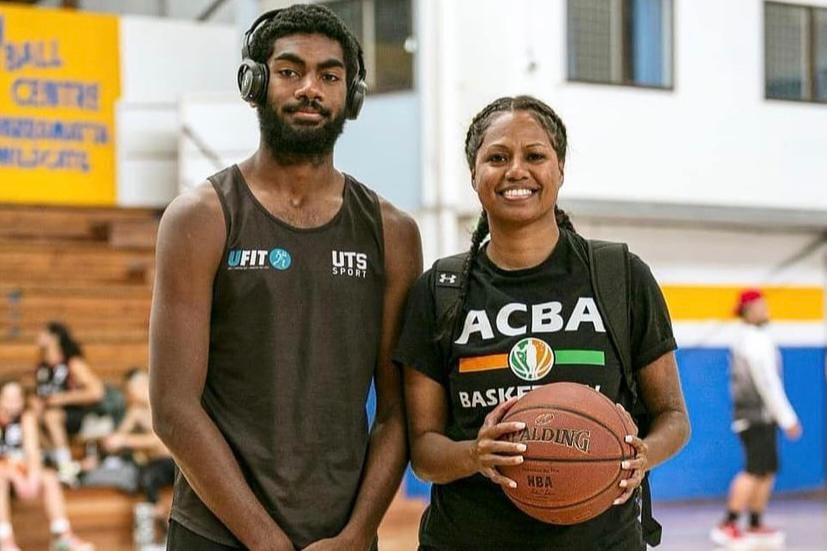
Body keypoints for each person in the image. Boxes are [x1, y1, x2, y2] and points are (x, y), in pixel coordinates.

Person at [149, 4, 421, 551]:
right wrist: (267, 542)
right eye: (290, 71)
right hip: (216, 535)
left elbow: (395, 414)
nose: (310, 89)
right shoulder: (200, 217)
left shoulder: (392, 232)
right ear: (255, 82)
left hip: (340, 541)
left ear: (353, 94)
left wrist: (359, 532)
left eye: (329, 75)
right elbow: (173, 409)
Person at [395, 95, 691, 551]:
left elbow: (673, 417)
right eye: (497, 157)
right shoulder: (440, 289)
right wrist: (476, 454)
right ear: (474, 174)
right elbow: (424, 452)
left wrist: (639, 456)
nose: (516, 170)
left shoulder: (618, 274)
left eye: (535, 155)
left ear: (559, 169)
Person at [710, 289, 801, 549]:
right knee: (754, 470)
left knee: (766, 470)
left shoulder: (754, 338)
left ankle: (754, 522)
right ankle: (728, 523)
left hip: (761, 416)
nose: (766, 310)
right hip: (756, 416)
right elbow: (767, 383)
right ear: (749, 311)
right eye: (761, 306)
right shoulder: (753, 341)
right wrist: (787, 417)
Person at [0, 381, 95, 551]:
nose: (12, 403)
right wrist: (12, 474)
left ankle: (62, 536)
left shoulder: (26, 417)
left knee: (50, 477)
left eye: (17, 398)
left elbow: (32, 451)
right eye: (8, 398)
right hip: (4, 472)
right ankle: (5, 540)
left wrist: (33, 477)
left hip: (21, 469)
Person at [31, 322, 105, 485]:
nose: (38, 336)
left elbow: (97, 392)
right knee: (30, 418)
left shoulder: (72, 363)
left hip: (75, 415)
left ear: (54, 337)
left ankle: (65, 466)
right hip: (49, 418)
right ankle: (59, 460)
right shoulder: (42, 367)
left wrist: (62, 398)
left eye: (43, 333)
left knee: (51, 416)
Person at [101, 369, 174, 524]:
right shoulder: (136, 412)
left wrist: (125, 441)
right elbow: (119, 435)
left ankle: (163, 517)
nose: (128, 396)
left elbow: (159, 440)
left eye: (129, 390)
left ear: (142, 385)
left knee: (150, 475)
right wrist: (111, 441)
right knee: (145, 476)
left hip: (173, 462)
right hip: (154, 464)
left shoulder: (165, 407)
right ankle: (159, 515)